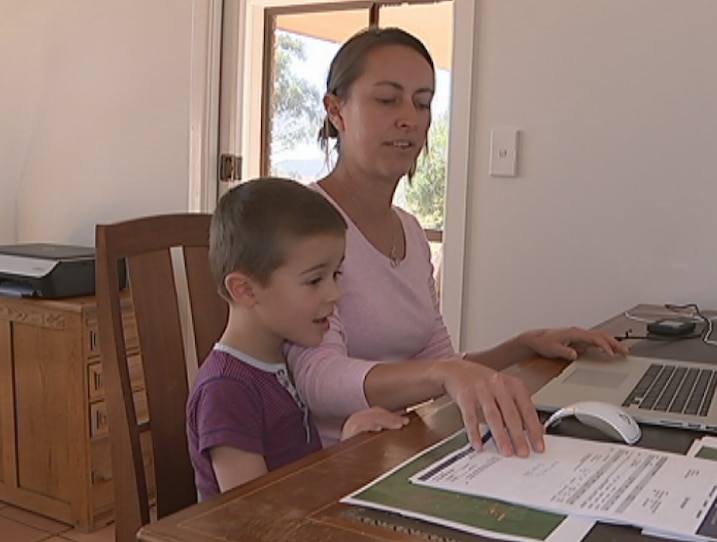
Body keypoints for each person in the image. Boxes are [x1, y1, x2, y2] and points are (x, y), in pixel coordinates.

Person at [287, 27, 627, 458]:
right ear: (336, 110)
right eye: (387, 99)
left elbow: (441, 361)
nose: (409, 118)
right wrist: (444, 374)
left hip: (399, 448)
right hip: (333, 464)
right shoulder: (303, 224)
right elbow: (319, 381)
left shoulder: (409, 231)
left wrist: (524, 344)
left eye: (423, 102)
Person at [187, 178, 408, 500]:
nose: (335, 293)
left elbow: (298, 474)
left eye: (336, 275)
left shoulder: (282, 356)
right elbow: (253, 514)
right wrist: (344, 466)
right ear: (245, 290)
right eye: (315, 280)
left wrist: (349, 441)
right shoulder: (226, 389)